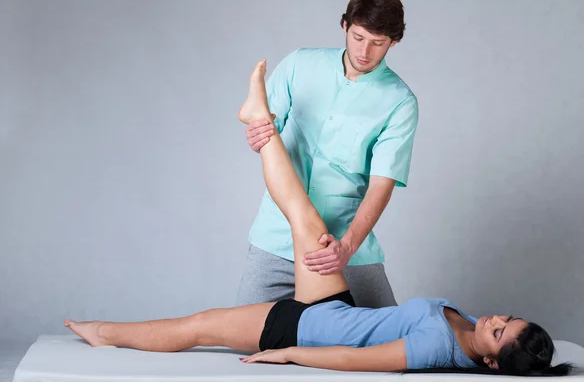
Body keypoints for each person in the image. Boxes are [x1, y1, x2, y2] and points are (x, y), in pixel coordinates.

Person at [65, 60, 571, 376]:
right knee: (301, 209)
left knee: (200, 326)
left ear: (488, 360)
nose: (496, 320)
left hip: (305, 329)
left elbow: (356, 360)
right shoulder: (463, 328)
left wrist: (287, 354)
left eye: (499, 333)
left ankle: (104, 332)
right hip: (335, 308)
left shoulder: (434, 348)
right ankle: (259, 119)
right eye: (508, 318)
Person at [237, 0, 418, 309]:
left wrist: (346, 247)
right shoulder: (299, 64)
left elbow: (381, 186)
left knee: (391, 340)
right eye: (359, 37)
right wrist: (256, 133)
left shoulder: (400, 102)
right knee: (250, 340)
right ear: (345, 25)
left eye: (378, 43)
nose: (365, 52)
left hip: (342, 242)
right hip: (276, 234)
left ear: (394, 41)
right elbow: (267, 133)